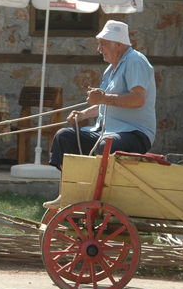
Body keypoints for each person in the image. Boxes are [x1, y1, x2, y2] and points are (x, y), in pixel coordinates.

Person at [43, 20, 156, 208]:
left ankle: (93, 198)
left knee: (105, 146)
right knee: (65, 137)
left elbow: (137, 99)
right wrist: (83, 114)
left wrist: (103, 98)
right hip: (107, 130)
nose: (99, 49)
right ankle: (69, 193)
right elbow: (104, 103)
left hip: (135, 133)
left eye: (102, 43)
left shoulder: (135, 61)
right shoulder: (110, 69)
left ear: (117, 44)